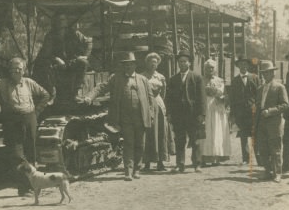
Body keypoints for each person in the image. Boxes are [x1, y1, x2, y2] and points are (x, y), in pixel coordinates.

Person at [85, 52, 154, 180]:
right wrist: (90, 96)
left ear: (134, 65)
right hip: (125, 118)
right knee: (128, 143)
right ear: (123, 66)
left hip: (141, 117)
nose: (128, 67)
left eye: (130, 64)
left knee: (140, 144)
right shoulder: (116, 78)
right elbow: (101, 87)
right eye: (125, 65)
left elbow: (150, 99)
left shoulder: (143, 80)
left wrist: (151, 115)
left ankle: (137, 170)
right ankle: (128, 171)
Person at [0, 58, 51, 195]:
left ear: (24, 70)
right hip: (11, 121)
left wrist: (37, 111)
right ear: (9, 70)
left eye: (20, 68)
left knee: (30, 151)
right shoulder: (1, 83)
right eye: (13, 68)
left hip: (29, 118)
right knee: (17, 154)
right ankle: (23, 188)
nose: (17, 71)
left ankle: (33, 187)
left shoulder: (29, 82)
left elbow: (45, 95)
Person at [32, 14, 92, 101]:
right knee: (44, 66)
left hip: (71, 62)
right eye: (58, 20)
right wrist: (56, 59)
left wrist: (85, 56)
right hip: (55, 63)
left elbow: (88, 42)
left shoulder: (74, 33)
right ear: (55, 22)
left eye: (63, 20)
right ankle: (51, 94)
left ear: (66, 22)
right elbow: (45, 54)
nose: (61, 22)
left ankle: (75, 93)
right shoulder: (50, 36)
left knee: (83, 62)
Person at [167, 50, 206, 173]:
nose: (182, 64)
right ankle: (180, 164)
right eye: (180, 61)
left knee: (195, 140)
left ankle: (197, 164)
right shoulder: (173, 79)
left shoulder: (197, 77)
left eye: (185, 61)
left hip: (193, 114)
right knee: (179, 140)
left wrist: (202, 114)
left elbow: (202, 97)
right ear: (178, 63)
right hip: (178, 115)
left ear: (189, 63)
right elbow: (169, 99)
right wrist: (169, 114)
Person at [254, 60, 289, 183]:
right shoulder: (260, 89)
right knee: (263, 148)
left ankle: (277, 173)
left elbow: (285, 105)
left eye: (268, 73)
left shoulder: (279, 87)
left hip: (274, 122)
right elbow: (258, 105)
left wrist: (271, 111)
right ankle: (267, 171)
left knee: (275, 149)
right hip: (262, 122)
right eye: (264, 73)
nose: (266, 75)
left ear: (273, 73)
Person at [199, 59, 231, 166]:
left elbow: (225, 95)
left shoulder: (220, 80)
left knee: (217, 131)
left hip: (217, 107)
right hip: (206, 106)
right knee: (206, 131)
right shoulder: (200, 80)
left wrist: (220, 96)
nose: (210, 70)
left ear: (215, 69)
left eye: (212, 68)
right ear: (204, 69)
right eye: (208, 68)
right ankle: (203, 157)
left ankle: (216, 157)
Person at [229, 54, 259, 165]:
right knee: (243, 135)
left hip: (252, 111)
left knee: (255, 134)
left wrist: (257, 107)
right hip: (240, 112)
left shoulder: (254, 78)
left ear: (248, 66)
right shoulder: (235, 81)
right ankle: (246, 158)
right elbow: (232, 98)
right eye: (241, 64)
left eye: (245, 64)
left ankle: (259, 157)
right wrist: (232, 114)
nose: (243, 66)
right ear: (238, 66)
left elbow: (258, 95)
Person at [142, 52, 169, 172]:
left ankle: (160, 162)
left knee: (160, 131)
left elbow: (164, 92)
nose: (153, 64)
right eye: (150, 62)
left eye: (155, 62)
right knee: (148, 132)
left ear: (158, 64)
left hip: (158, 103)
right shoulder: (142, 76)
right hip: (146, 104)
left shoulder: (161, 77)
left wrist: (158, 101)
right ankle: (146, 162)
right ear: (146, 63)